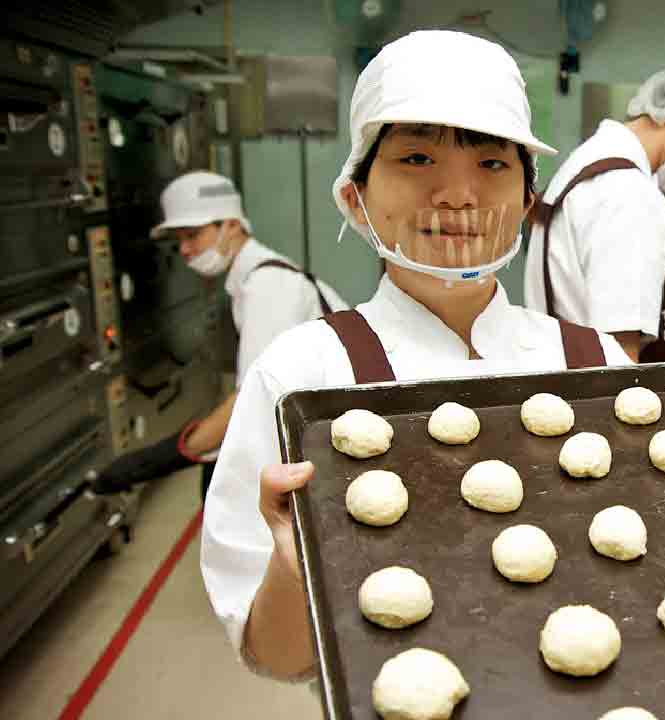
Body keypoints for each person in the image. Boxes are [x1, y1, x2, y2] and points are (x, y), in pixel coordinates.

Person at [200, 30, 632, 680]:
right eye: (417, 158)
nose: (457, 195)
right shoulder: (302, 378)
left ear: (527, 200)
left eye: (492, 163)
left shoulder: (596, 366)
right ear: (355, 195)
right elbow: (277, 659)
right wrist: (294, 565)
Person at [93, 171, 348, 496]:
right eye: (179, 240)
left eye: (193, 235)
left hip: (337, 427)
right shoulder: (257, 276)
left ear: (232, 225)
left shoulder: (267, 287)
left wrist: (161, 458)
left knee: (223, 483)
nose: (184, 249)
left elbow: (254, 398)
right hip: (316, 414)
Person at [524, 63, 665, 362]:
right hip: (590, 384)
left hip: (561, 372)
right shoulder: (630, 194)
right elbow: (618, 355)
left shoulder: (589, 162)